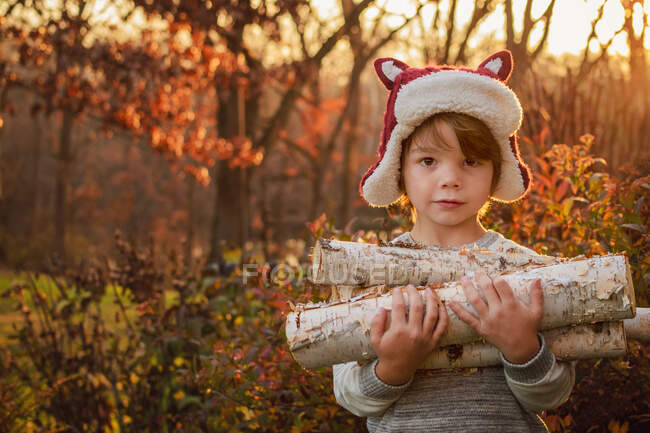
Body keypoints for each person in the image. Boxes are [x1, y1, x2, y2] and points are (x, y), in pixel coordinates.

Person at [332, 50, 576, 432]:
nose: (450, 179)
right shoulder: (369, 274)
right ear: (399, 169)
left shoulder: (528, 271)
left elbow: (552, 396)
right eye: (429, 161)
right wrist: (393, 366)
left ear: (497, 173)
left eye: (471, 161)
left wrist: (522, 347)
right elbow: (350, 397)